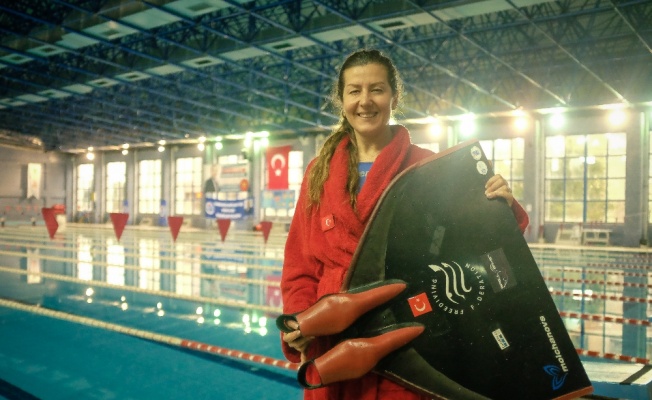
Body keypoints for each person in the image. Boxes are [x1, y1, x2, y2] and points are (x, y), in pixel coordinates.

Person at [280, 48, 529, 400]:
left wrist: (501, 205)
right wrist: (298, 319)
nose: (365, 101)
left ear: (394, 97)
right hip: (334, 346)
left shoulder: (427, 167)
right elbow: (300, 266)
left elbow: (474, 242)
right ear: (341, 100)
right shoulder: (319, 172)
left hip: (406, 334)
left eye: (377, 89)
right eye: (354, 91)